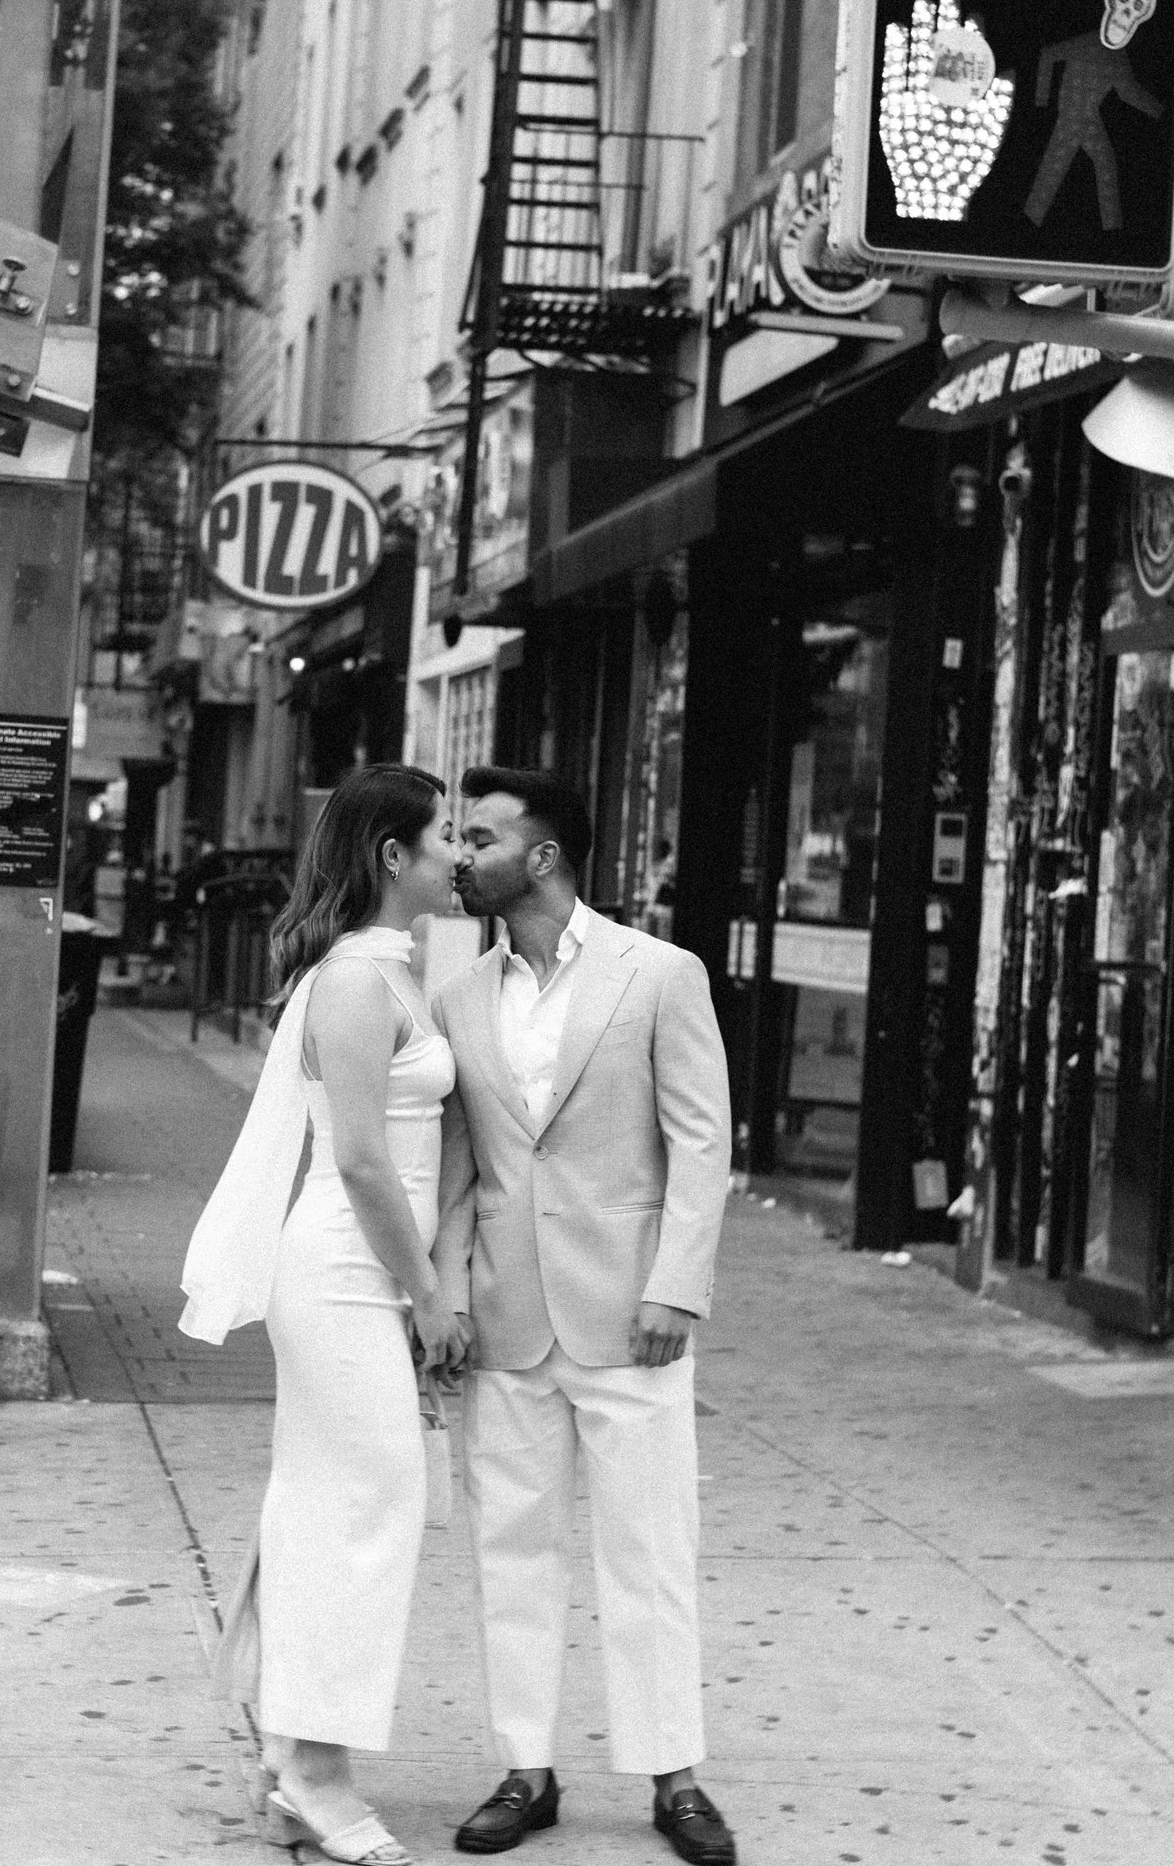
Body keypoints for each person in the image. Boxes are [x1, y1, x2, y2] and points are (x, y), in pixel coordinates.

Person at [433, 767, 738, 1866]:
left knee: (650, 1547)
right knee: (511, 1547)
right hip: (512, 1314)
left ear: (544, 856)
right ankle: (526, 1766)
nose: (459, 854)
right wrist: (450, 1296)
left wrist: (677, 1283)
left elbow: (703, 1139)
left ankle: (675, 1776)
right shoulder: (458, 996)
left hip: (630, 1312)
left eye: (480, 836)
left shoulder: (658, 973)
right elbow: (460, 1167)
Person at [178, 763, 469, 1866]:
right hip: (344, 1270)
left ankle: (294, 1741)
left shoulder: (391, 974)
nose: (456, 854)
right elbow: (355, 1157)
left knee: (330, 1501)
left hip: (365, 1272)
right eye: (442, 836)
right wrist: (428, 1293)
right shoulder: (355, 985)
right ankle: (316, 1769)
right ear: (392, 857)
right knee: (370, 1502)